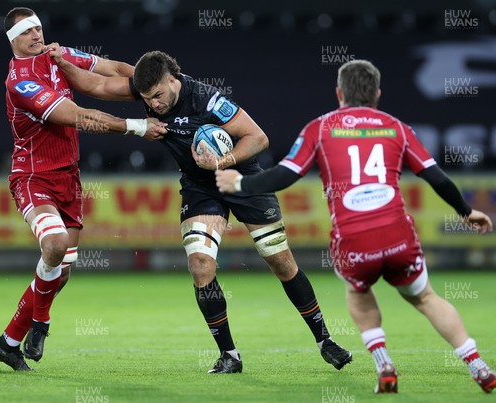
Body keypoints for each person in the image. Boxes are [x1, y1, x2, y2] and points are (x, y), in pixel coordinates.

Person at [53, 50, 352, 373]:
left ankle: (325, 341)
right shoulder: (145, 90)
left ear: (172, 80)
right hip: (199, 186)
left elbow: (258, 138)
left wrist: (221, 162)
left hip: (242, 177)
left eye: (157, 96)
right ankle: (229, 356)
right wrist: (59, 61)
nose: (153, 104)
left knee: (279, 259)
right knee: (200, 264)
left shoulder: (208, 100)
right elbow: (95, 85)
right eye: (147, 99)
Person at [215, 60, 496, 393]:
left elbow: (286, 175)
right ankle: (477, 365)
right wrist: (466, 212)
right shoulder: (397, 127)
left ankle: (384, 364)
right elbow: (435, 176)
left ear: (339, 93)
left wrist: (240, 185)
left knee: (359, 293)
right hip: (398, 233)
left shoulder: (320, 128)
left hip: (353, 239)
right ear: (377, 94)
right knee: (425, 297)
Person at [0, 7, 167, 371]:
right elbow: (79, 117)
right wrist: (137, 127)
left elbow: (114, 71)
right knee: (53, 246)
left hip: (68, 179)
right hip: (33, 177)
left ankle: (8, 343)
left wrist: (157, 85)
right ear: (14, 41)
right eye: (28, 32)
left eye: (38, 28)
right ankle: (41, 323)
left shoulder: (60, 55)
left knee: (61, 271)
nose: (37, 35)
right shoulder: (19, 82)